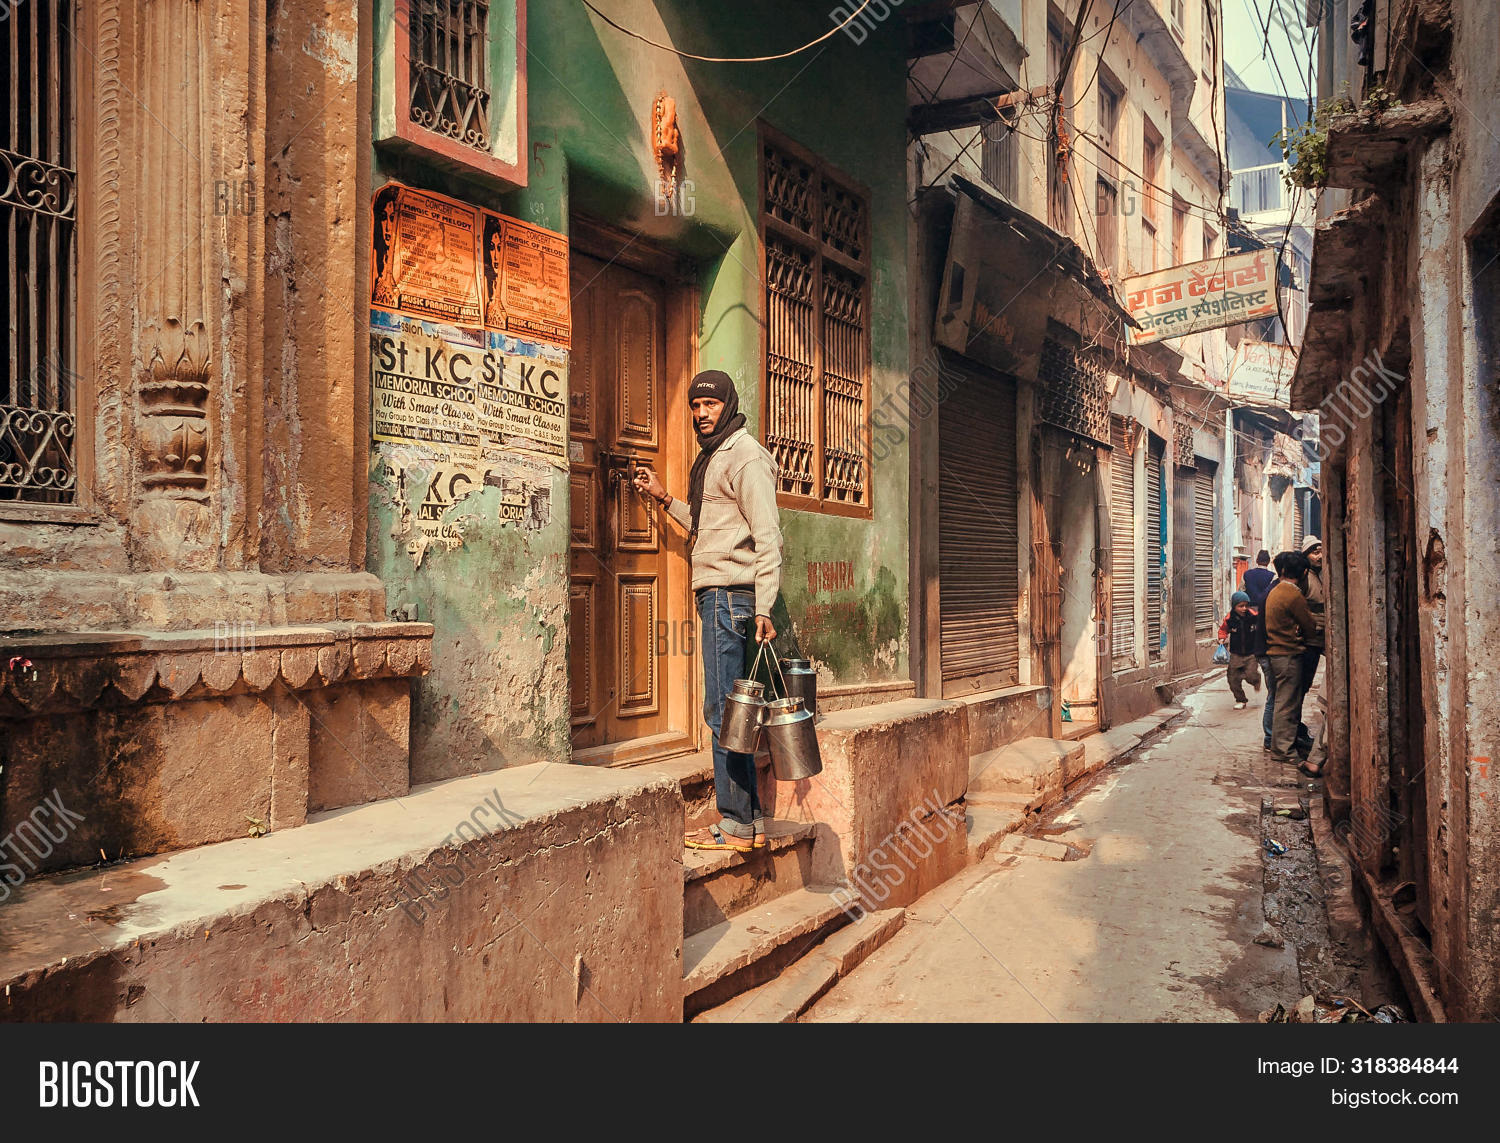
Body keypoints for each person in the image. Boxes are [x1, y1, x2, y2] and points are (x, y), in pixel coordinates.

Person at [633, 370, 784, 853]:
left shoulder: (744, 457)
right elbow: (708, 523)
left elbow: (769, 537)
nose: (701, 414)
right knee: (734, 710)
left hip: (729, 596)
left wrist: (765, 605)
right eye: (696, 407)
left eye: (710, 406)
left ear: (728, 405)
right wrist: (663, 497)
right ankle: (752, 821)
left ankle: (736, 822)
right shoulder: (715, 458)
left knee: (723, 710)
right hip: (722, 595)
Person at [1264, 550, 1319, 775]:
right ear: (1304, 572)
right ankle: (1283, 750)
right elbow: (1310, 625)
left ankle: (1280, 746)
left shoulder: (1276, 591)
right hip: (1288, 654)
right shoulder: (1293, 594)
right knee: (1288, 703)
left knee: (1281, 701)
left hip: (1277, 654)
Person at [1298, 535, 1328, 777]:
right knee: (1303, 684)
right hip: (1310, 637)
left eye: (1320, 550)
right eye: (1313, 552)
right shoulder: (1304, 577)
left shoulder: (1324, 573)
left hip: (1326, 634)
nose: (1318, 555)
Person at [1241, 550, 1278, 748]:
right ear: (1269, 561)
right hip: (1266, 614)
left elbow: (1242, 592)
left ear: (1256, 560)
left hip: (1251, 612)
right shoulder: (1272, 577)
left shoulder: (1247, 574)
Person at [1217, 591, 1262, 708]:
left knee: (1251, 675)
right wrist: (1221, 638)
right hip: (1236, 654)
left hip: (1251, 654)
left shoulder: (1254, 616)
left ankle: (1256, 680)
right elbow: (1223, 630)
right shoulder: (1229, 618)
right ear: (1234, 606)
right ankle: (1241, 700)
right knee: (1232, 678)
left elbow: (1263, 627)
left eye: (1246, 605)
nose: (1244, 608)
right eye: (1241, 606)